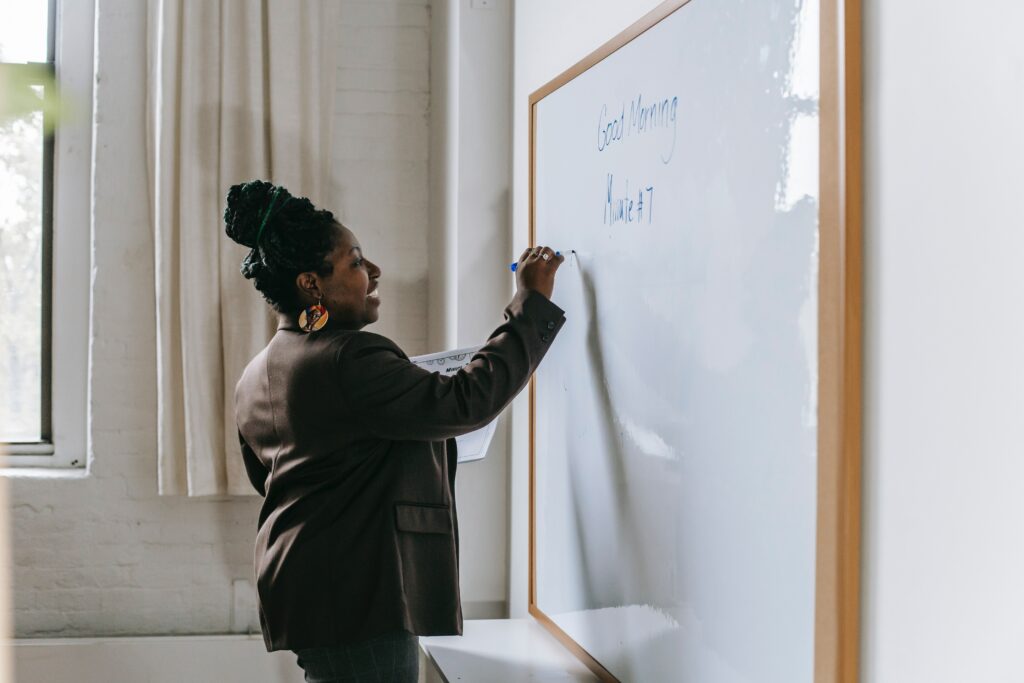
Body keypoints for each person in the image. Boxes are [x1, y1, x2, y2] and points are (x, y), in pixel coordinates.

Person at [224, 180, 566, 683]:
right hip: (358, 595)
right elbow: (467, 400)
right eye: (356, 263)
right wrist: (529, 302)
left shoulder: (257, 372)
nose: (374, 272)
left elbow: (282, 477)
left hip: (304, 588)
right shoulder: (348, 357)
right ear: (311, 285)